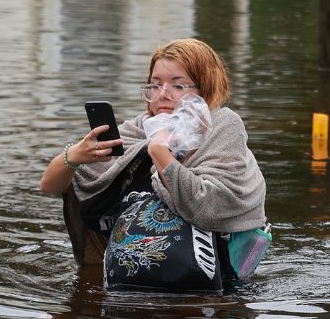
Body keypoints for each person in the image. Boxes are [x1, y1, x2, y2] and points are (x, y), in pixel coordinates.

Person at [39, 38, 266, 270]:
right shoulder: (140, 128)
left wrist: (159, 152)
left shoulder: (223, 126)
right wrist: (74, 156)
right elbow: (49, 187)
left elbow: (209, 207)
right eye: (155, 85)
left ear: (205, 87)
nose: (163, 94)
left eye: (178, 86)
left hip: (202, 281)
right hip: (126, 275)